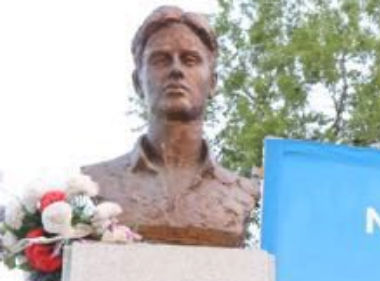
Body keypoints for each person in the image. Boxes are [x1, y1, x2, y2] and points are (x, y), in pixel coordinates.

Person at [83, 6, 258, 247]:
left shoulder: (241, 193)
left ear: (213, 83)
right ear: (137, 82)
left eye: (190, 60)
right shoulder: (96, 183)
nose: (176, 70)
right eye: (160, 59)